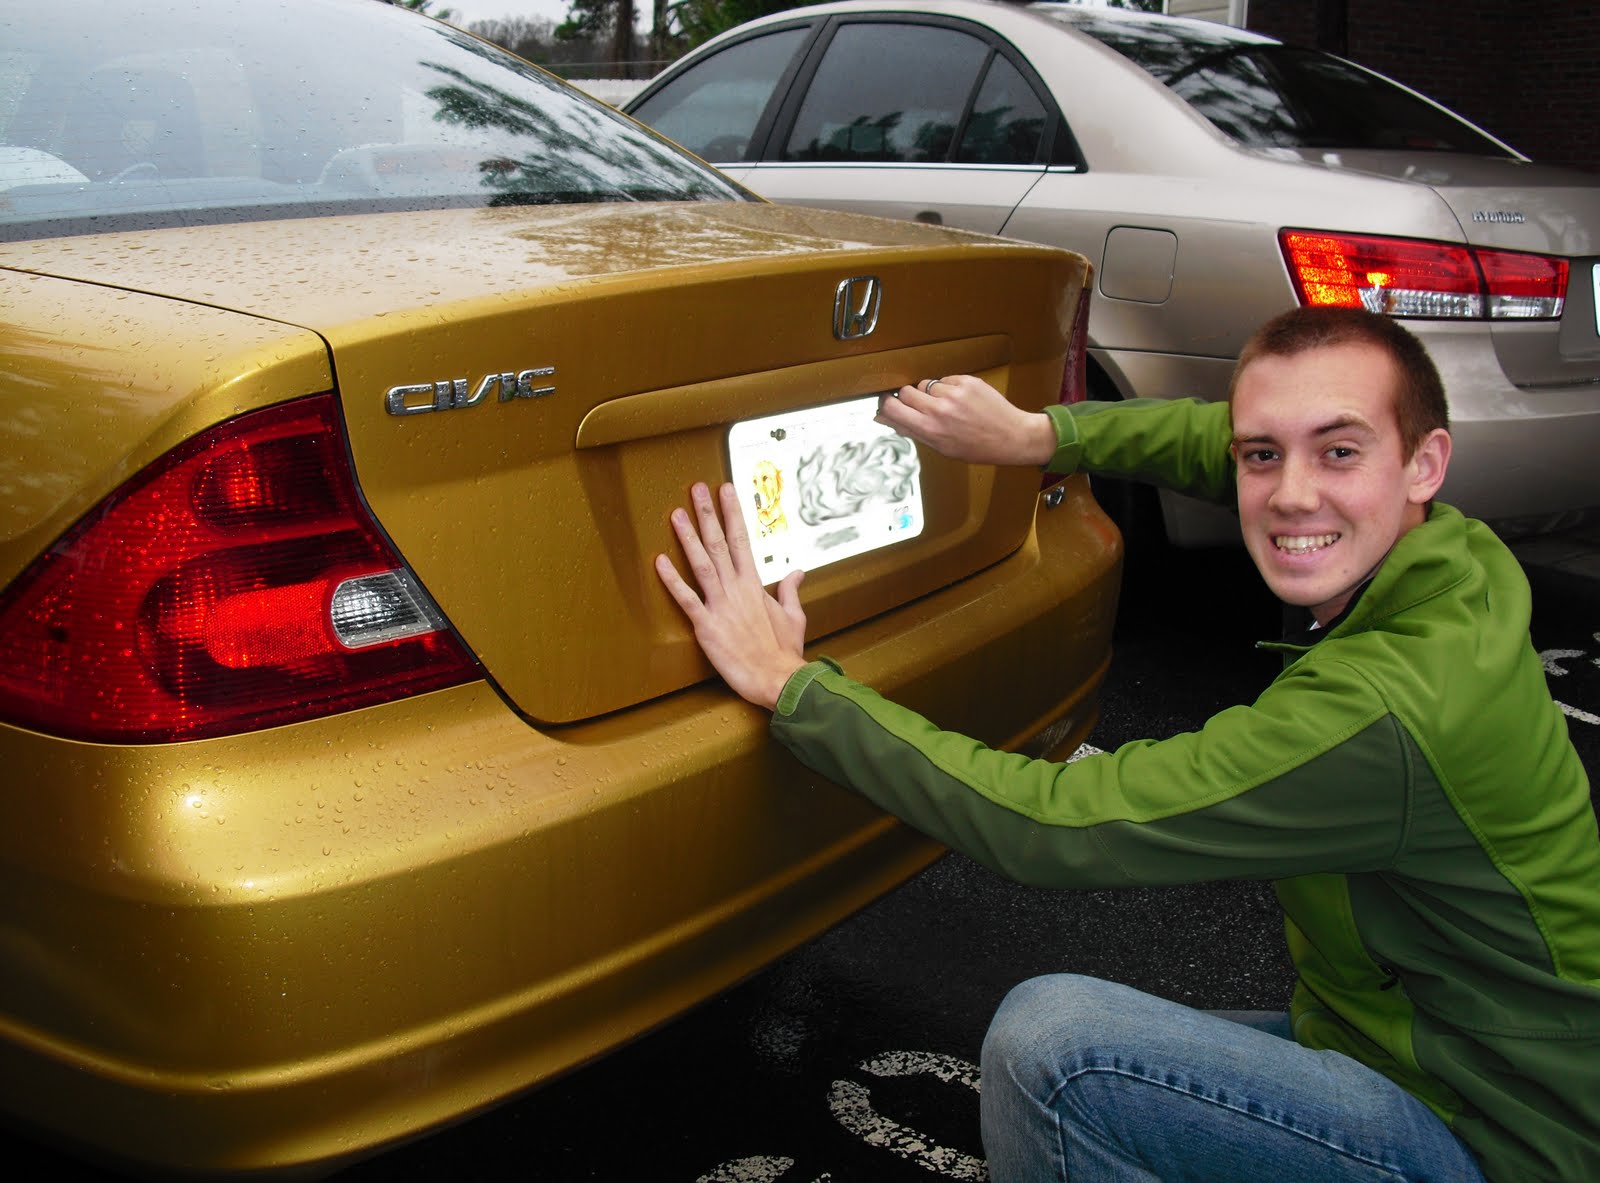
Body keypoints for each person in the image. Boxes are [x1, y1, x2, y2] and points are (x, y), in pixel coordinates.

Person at [654, 306, 1600, 1183]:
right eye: (1262, 455)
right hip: (1407, 1042)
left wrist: (794, 686)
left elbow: (1054, 827)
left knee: (1056, 1050)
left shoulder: (1382, 714)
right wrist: (1041, 435)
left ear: (1425, 463)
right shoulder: (1455, 558)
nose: (1291, 493)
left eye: (1339, 451)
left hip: (1491, 1134)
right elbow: (1206, 438)